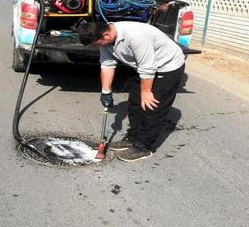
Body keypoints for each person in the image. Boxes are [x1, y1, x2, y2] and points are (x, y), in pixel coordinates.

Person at [77, 21, 186, 162]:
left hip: (167, 66)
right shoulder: (105, 39)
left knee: (151, 106)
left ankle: (143, 146)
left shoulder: (136, 36)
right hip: (140, 65)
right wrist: (105, 92)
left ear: (106, 34)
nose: (98, 47)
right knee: (134, 103)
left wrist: (146, 93)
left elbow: (148, 67)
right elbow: (107, 64)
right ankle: (133, 137)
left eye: (98, 44)